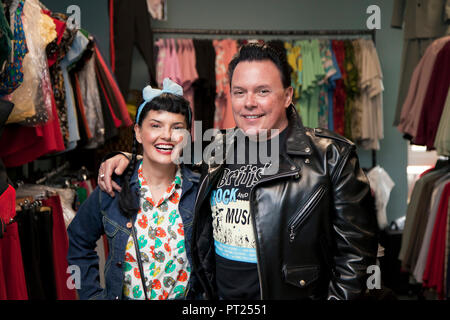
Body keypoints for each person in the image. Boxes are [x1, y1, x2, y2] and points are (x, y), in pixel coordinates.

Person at [98, 43, 379, 300]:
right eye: (239, 92)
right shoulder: (215, 147)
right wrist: (128, 157)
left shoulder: (331, 157)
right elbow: (166, 154)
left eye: (263, 91)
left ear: (288, 96)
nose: (249, 102)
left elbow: (356, 258)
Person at [67, 78, 200, 300]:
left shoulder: (200, 191)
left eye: (177, 127)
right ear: (138, 132)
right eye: (155, 125)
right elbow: (78, 240)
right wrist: (88, 294)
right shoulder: (112, 188)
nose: (166, 135)